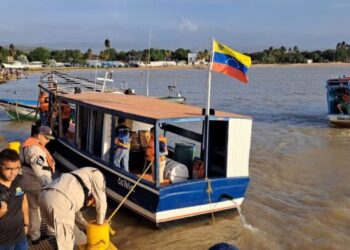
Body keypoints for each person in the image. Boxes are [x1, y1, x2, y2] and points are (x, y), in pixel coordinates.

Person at [39, 167, 107, 250]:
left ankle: (54, 242)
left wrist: (86, 228)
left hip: (44, 196)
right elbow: (102, 201)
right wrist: (100, 223)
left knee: (56, 232)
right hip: (60, 202)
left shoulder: (80, 179)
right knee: (67, 244)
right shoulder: (98, 175)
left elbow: (76, 214)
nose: (91, 205)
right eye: (93, 203)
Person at [20, 125, 56, 245]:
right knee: (47, 208)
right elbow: (41, 172)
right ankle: (52, 232)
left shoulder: (24, 145)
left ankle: (35, 235)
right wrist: (49, 188)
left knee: (33, 209)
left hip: (27, 183)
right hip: (38, 185)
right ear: (40, 136)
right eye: (46, 138)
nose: (48, 140)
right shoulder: (36, 150)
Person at [0, 149, 30, 250]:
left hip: (20, 238)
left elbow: (24, 201)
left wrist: (26, 224)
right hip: (2, 243)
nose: (13, 173)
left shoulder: (20, 180)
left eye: (17, 168)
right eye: (9, 169)